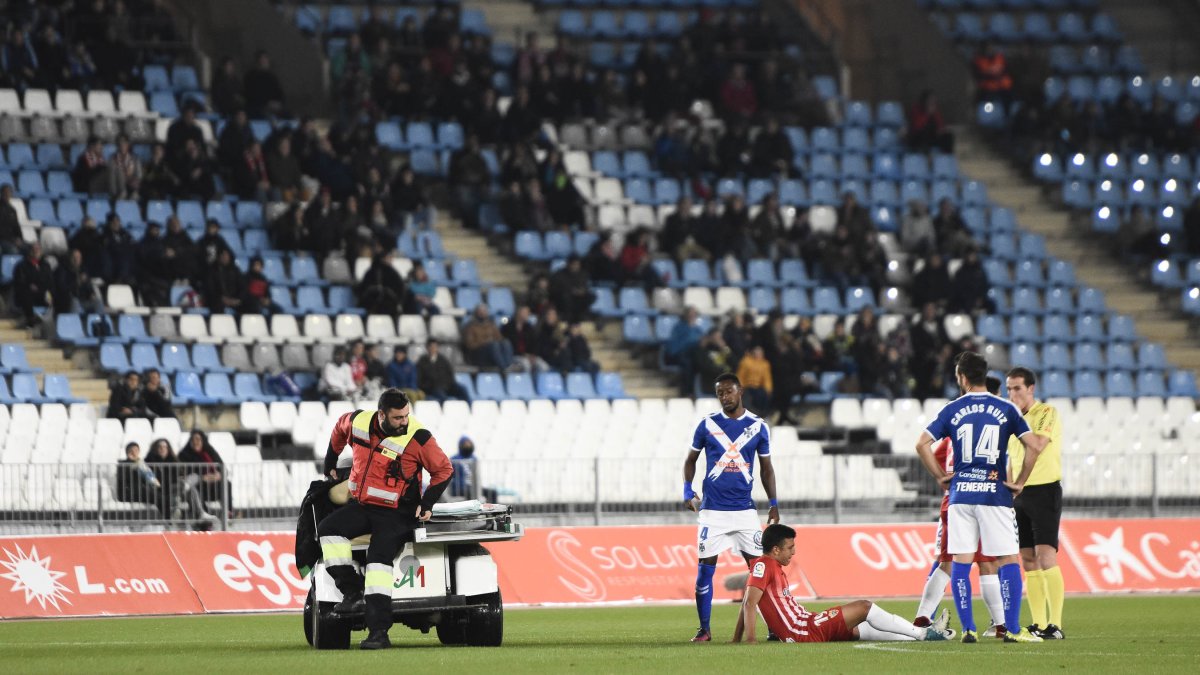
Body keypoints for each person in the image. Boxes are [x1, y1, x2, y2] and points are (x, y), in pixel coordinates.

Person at [915, 351, 1049, 643]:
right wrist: (1021, 481)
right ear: (984, 374)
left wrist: (940, 476)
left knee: (960, 562)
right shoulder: (1007, 409)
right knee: (1007, 559)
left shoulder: (953, 408)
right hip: (994, 492)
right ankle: (1011, 629)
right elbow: (1035, 446)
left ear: (961, 377)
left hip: (961, 495)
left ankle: (969, 629)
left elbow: (922, 444)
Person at [318, 389, 454, 650]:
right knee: (328, 530)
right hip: (363, 506)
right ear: (381, 414)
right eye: (398, 418)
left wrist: (427, 504)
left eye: (406, 416)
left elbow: (444, 469)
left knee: (377, 562)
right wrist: (330, 462)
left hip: (399, 514)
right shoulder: (358, 422)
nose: (404, 422)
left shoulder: (418, 436)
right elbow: (338, 429)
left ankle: (379, 633)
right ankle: (352, 591)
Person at [732, 524, 952, 644]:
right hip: (803, 630)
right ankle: (923, 633)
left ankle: (925, 633)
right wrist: (750, 640)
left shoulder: (773, 567)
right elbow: (750, 603)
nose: (794, 551)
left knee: (860, 628)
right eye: (790, 548)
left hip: (807, 622)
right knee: (864, 607)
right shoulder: (764, 565)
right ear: (776, 550)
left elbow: (748, 602)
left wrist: (736, 639)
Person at [682, 372, 779, 642]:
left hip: (746, 512)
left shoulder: (758, 426)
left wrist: (773, 504)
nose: (725, 397)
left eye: (729, 391)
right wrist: (687, 490)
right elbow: (690, 460)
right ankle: (705, 630)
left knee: (760, 572)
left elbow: (766, 469)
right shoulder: (707, 425)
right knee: (704, 573)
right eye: (720, 393)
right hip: (712, 512)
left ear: (740, 391)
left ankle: (774, 627)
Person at [912, 376, 1007, 637]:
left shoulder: (957, 421)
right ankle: (1000, 625)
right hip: (985, 499)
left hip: (955, 501)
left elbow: (934, 453)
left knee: (948, 562)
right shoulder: (998, 424)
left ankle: (922, 619)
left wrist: (944, 479)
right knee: (987, 563)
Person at [1006, 367, 1065, 640]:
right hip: (1020, 495)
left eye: (1017, 388)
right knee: (1028, 559)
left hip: (1044, 491)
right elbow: (1010, 458)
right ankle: (1039, 623)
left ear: (1031, 388)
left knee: (1045, 556)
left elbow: (1038, 444)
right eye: (1009, 389)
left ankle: (1055, 624)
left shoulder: (1046, 413)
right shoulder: (1012, 419)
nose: (1012, 393)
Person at [178, 429, 233, 520]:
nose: (196, 442)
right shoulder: (184, 454)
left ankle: (228, 512)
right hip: (197, 486)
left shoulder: (209, 451)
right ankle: (204, 517)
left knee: (227, 484)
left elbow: (224, 469)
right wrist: (202, 477)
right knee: (195, 489)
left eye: (198, 439)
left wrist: (218, 475)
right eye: (193, 440)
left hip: (212, 485)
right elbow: (184, 475)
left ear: (203, 441)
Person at [115, 441, 162, 510]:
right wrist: (131, 463)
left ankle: (167, 514)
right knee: (154, 496)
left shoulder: (140, 463)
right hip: (127, 493)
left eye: (136, 450)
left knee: (158, 496)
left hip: (140, 491)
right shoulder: (122, 464)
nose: (134, 453)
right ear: (127, 453)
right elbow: (123, 478)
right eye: (131, 451)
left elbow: (148, 479)